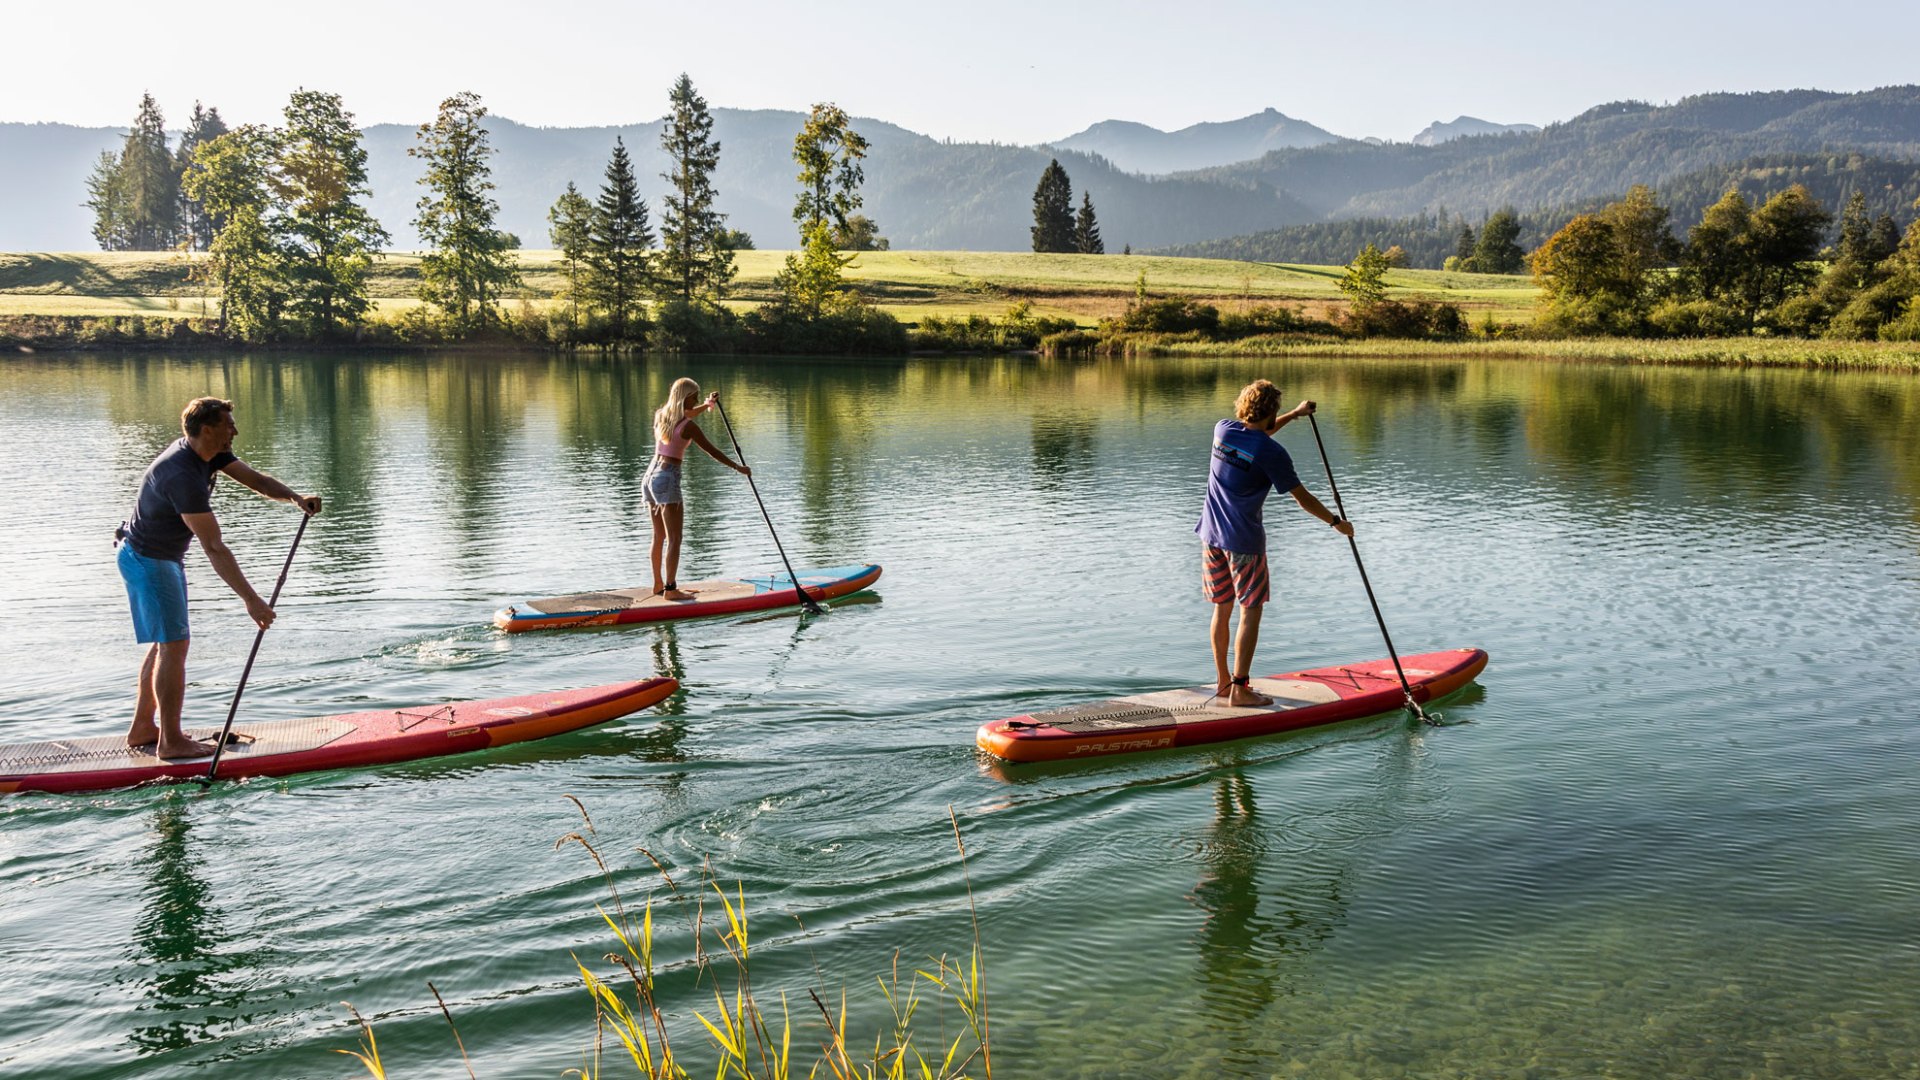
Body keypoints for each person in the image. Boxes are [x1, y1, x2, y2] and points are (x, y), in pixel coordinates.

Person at [117, 397, 321, 759]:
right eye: (229, 425)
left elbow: (256, 481)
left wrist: (294, 497)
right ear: (207, 429)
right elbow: (213, 547)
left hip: (151, 556)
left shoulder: (209, 453)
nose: (235, 431)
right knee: (174, 646)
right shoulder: (182, 474)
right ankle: (171, 742)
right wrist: (252, 600)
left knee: (166, 643)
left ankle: (143, 729)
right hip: (150, 559)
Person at [1196, 379, 1354, 707]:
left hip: (1211, 536)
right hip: (1244, 543)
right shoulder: (1273, 453)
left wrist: (1295, 414)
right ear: (1271, 413)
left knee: (1221, 608)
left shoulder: (1223, 430)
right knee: (1250, 611)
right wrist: (1336, 523)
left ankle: (1224, 682)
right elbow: (1303, 498)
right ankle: (1240, 690)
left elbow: (1256, 437)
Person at [643, 377, 750, 601]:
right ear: (685, 397)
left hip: (650, 477)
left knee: (659, 536)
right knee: (675, 538)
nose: (697, 400)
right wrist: (737, 468)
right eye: (695, 397)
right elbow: (712, 451)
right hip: (667, 478)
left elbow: (688, 413)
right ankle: (671, 590)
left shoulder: (662, 414)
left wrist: (709, 405)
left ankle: (658, 584)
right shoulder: (688, 426)